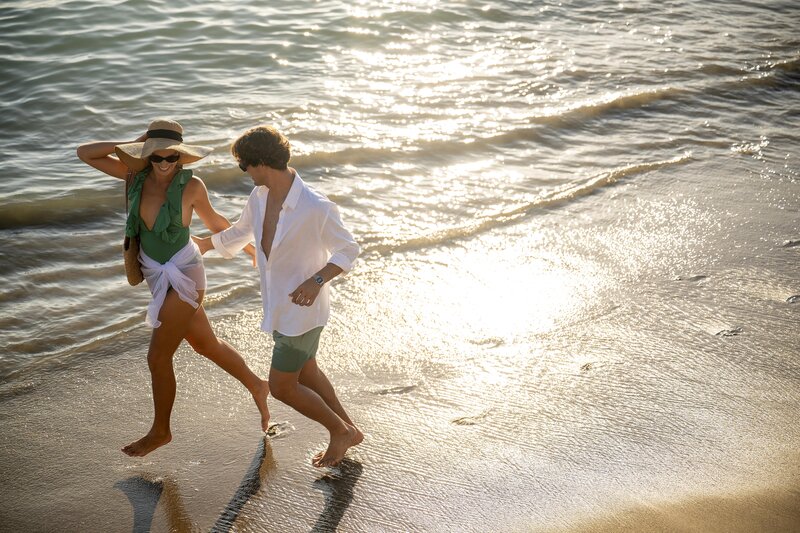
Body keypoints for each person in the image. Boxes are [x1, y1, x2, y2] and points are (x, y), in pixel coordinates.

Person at [76, 119, 270, 457]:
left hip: (186, 274)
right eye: (156, 157)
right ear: (147, 155)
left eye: (171, 157)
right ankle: (258, 385)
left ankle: (161, 431)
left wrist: (250, 249)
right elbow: (85, 153)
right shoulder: (134, 177)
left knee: (157, 357)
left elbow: (215, 222)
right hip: (156, 276)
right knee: (206, 345)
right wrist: (136, 144)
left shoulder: (191, 185)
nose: (164, 164)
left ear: (181, 157)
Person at [193, 125, 363, 467]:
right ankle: (350, 430)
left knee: (283, 387)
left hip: (303, 311)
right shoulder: (259, 197)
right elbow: (242, 232)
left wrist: (317, 280)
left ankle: (339, 431)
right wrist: (203, 245)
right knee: (308, 372)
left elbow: (349, 249)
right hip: (280, 307)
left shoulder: (315, 207)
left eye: (245, 165)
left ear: (260, 163)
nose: (245, 172)